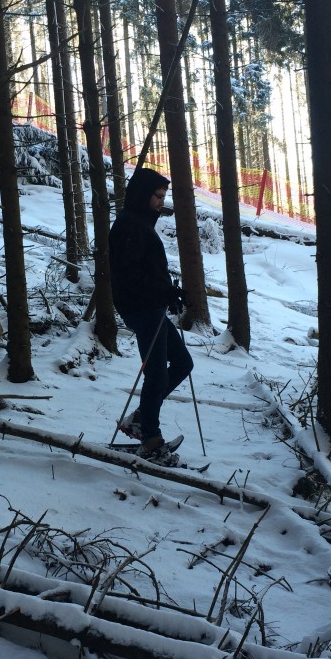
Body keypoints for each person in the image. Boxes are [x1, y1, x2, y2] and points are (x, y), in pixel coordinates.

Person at [108, 167, 193, 465]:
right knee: (156, 373)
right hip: (140, 308)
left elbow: (147, 270)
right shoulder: (129, 225)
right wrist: (162, 292)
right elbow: (128, 275)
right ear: (143, 194)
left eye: (163, 196)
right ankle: (151, 440)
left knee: (182, 362)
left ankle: (141, 419)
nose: (161, 201)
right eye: (157, 195)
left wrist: (168, 293)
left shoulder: (142, 223)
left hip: (151, 306)